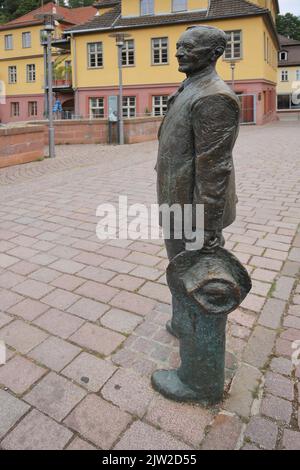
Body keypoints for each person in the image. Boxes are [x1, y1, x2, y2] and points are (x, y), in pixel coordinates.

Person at [156, 25, 240, 336]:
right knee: (179, 269)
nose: (178, 52)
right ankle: (183, 323)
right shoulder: (191, 86)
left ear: (215, 53)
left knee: (195, 277)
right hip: (177, 203)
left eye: (188, 47)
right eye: (178, 46)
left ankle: (198, 351)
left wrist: (208, 230)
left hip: (193, 211)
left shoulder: (214, 97)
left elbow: (214, 170)